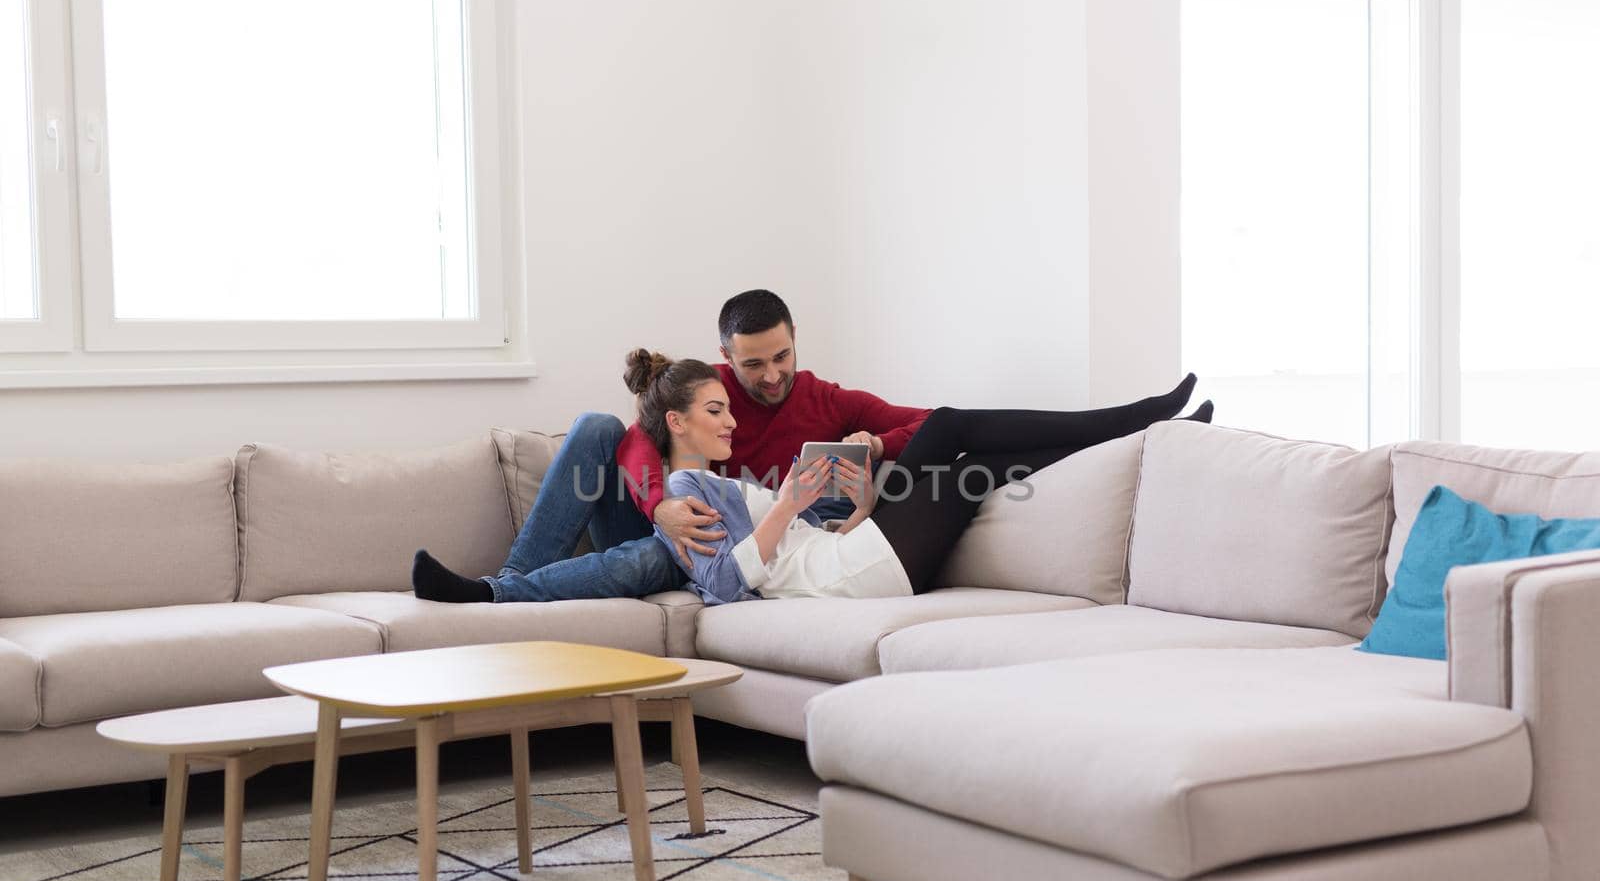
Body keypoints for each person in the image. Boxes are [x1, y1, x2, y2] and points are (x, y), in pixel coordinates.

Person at [411, 289, 937, 603]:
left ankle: (492, 597)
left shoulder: (828, 400)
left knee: (654, 558)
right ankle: (510, 582)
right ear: (725, 355)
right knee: (597, 426)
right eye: (753, 364)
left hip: (713, 546)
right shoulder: (708, 390)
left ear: (795, 337)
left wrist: (876, 442)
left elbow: (929, 423)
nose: (773, 375)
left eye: (782, 356)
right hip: (662, 520)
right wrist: (660, 505)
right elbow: (638, 439)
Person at [630, 350, 1210, 604]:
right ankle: (1133, 417)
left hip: (851, 555)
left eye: (727, 408)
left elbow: (795, 556)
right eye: (716, 412)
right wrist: (786, 504)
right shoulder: (683, 493)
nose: (731, 420)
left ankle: (1139, 436)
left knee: (980, 471)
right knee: (948, 426)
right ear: (677, 424)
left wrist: (861, 505)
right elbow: (726, 586)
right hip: (852, 575)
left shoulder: (723, 485)